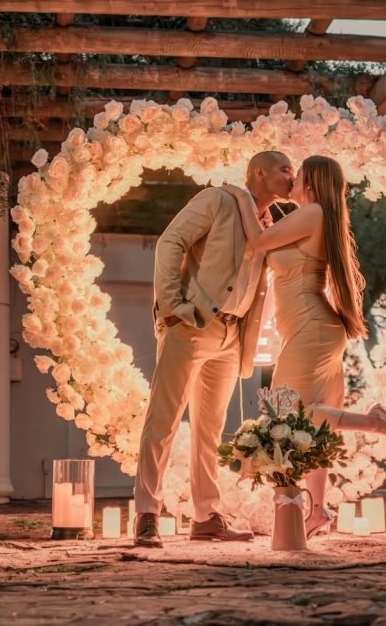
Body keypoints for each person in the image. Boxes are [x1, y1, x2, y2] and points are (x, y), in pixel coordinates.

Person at [222, 155, 386, 540]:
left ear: (311, 180)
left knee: (291, 417)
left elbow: (256, 243)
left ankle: (378, 423)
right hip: (314, 328)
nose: (291, 179)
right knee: (312, 429)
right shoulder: (312, 216)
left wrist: (241, 196)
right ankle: (318, 510)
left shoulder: (314, 213)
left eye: (296, 173)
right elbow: (269, 241)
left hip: (312, 327)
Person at [132, 151, 296, 548]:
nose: (293, 178)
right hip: (191, 326)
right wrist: (173, 307)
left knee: (210, 429)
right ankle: (146, 514)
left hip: (231, 336)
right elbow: (170, 242)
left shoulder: (268, 223)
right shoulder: (216, 201)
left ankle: (205, 516)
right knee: (164, 420)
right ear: (260, 172)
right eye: (285, 170)